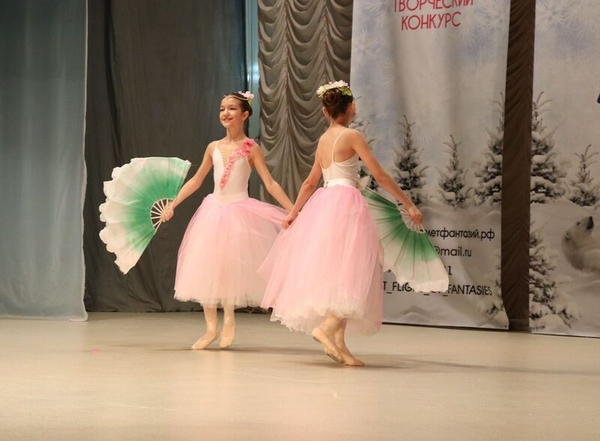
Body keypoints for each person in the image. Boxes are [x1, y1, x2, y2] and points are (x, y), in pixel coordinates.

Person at [260, 81, 423, 366]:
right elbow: (380, 175)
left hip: (325, 204)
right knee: (352, 269)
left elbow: (311, 181)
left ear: (325, 111)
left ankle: (339, 344)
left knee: (340, 272)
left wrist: (295, 212)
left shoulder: (323, 140)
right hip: (347, 204)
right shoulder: (352, 135)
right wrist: (407, 203)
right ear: (351, 108)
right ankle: (325, 329)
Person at [161, 91, 293, 350]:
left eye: (232, 108)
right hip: (213, 210)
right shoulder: (213, 147)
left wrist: (293, 210)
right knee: (207, 265)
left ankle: (230, 320)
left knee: (230, 266)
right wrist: (173, 204)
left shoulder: (251, 148)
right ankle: (211, 327)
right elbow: (197, 180)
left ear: (245, 114)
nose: (225, 113)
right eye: (222, 108)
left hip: (239, 211)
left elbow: (270, 183)